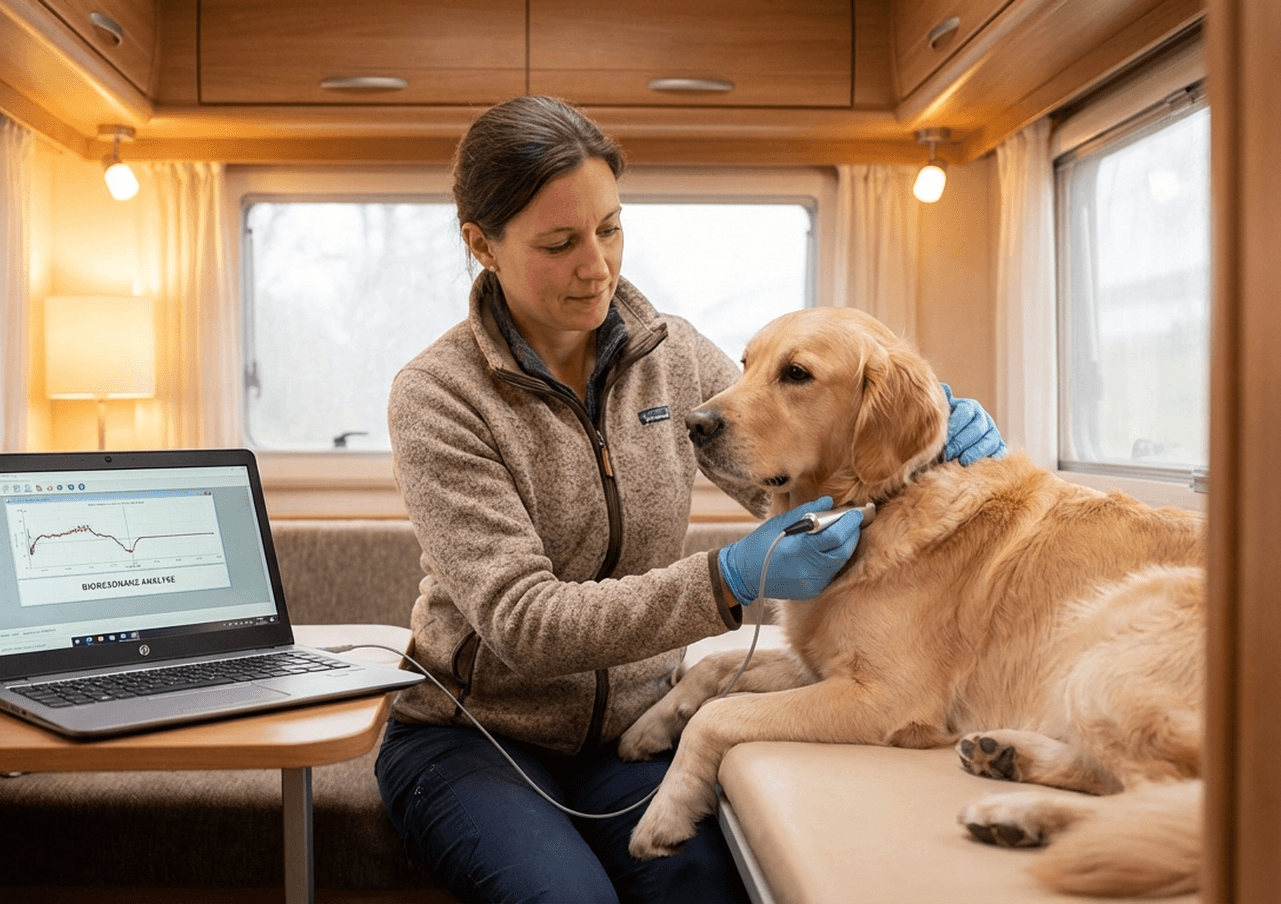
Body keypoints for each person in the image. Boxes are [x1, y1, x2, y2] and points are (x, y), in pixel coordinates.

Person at [374, 95, 1006, 904]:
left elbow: (797, 460)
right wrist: (726, 582)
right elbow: (524, 624)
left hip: (627, 735)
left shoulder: (669, 356)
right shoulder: (438, 396)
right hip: (473, 741)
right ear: (482, 245)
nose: (598, 265)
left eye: (610, 228)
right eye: (560, 243)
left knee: (715, 887)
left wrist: (928, 448)